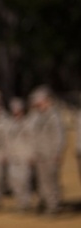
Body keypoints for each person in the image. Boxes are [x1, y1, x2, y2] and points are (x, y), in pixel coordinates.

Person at [24, 85, 66, 214]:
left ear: (46, 100)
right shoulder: (37, 115)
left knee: (51, 181)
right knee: (41, 181)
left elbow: (59, 136)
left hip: (50, 154)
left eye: (39, 99)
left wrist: (57, 152)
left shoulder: (53, 115)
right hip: (40, 154)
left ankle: (53, 206)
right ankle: (45, 203)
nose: (36, 102)